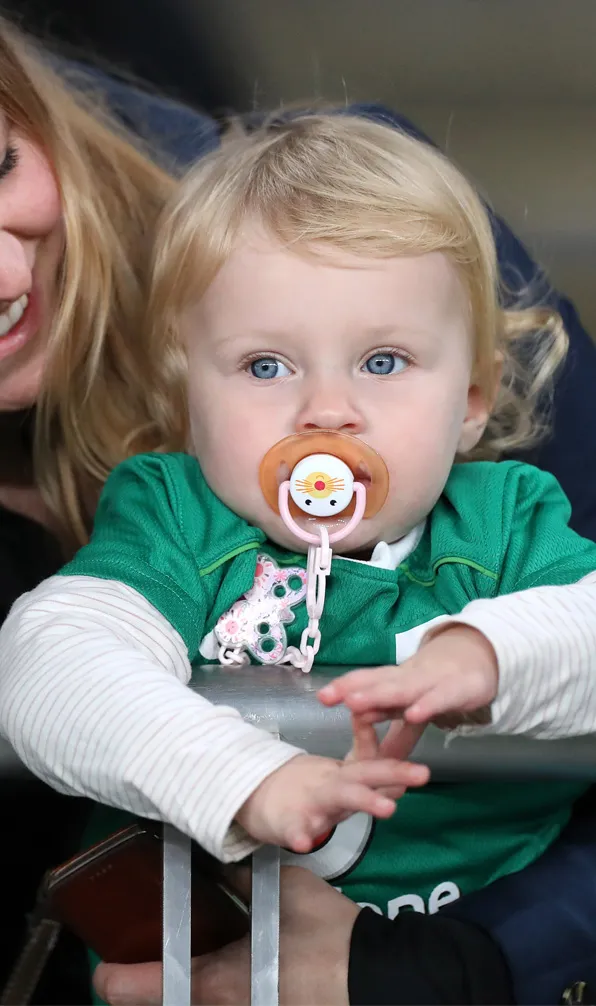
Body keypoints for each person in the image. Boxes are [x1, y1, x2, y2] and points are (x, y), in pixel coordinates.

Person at [1, 15, 596, 1006]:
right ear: (183, 397)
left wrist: (485, 652)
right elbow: (51, 660)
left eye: (383, 362)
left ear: (473, 402)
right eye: (264, 366)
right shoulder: (173, 516)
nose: (326, 408)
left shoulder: (503, 515)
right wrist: (243, 776)